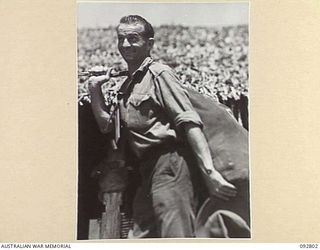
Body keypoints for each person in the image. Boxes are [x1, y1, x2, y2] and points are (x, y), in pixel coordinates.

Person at [87, 15, 238, 238]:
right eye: (121, 39)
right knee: (140, 237)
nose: (126, 44)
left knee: (175, 235)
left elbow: (189, 121)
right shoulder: (127, 86)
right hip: (147, 171)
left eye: (133, 38)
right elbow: (106, 126)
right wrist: (94, 90)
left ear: (149, 43)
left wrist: (209, 171)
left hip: (171, 165)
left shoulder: (160, 74)